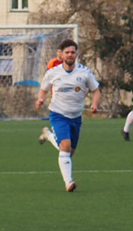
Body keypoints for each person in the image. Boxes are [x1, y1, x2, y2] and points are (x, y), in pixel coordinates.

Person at [36, 38, 100, 192]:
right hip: (58, 114)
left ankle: (48, 135)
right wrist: (40, 99)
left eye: (72, 52)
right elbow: (43, 89)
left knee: (69, 152)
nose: (70, 55)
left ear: (76, 54)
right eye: (67, 52)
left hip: (76, 116)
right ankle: (69, 182)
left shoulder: (85, 72)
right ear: (61, 54)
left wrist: (95, 104)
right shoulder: (53, 72)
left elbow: (96, 90)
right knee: (65, 146)